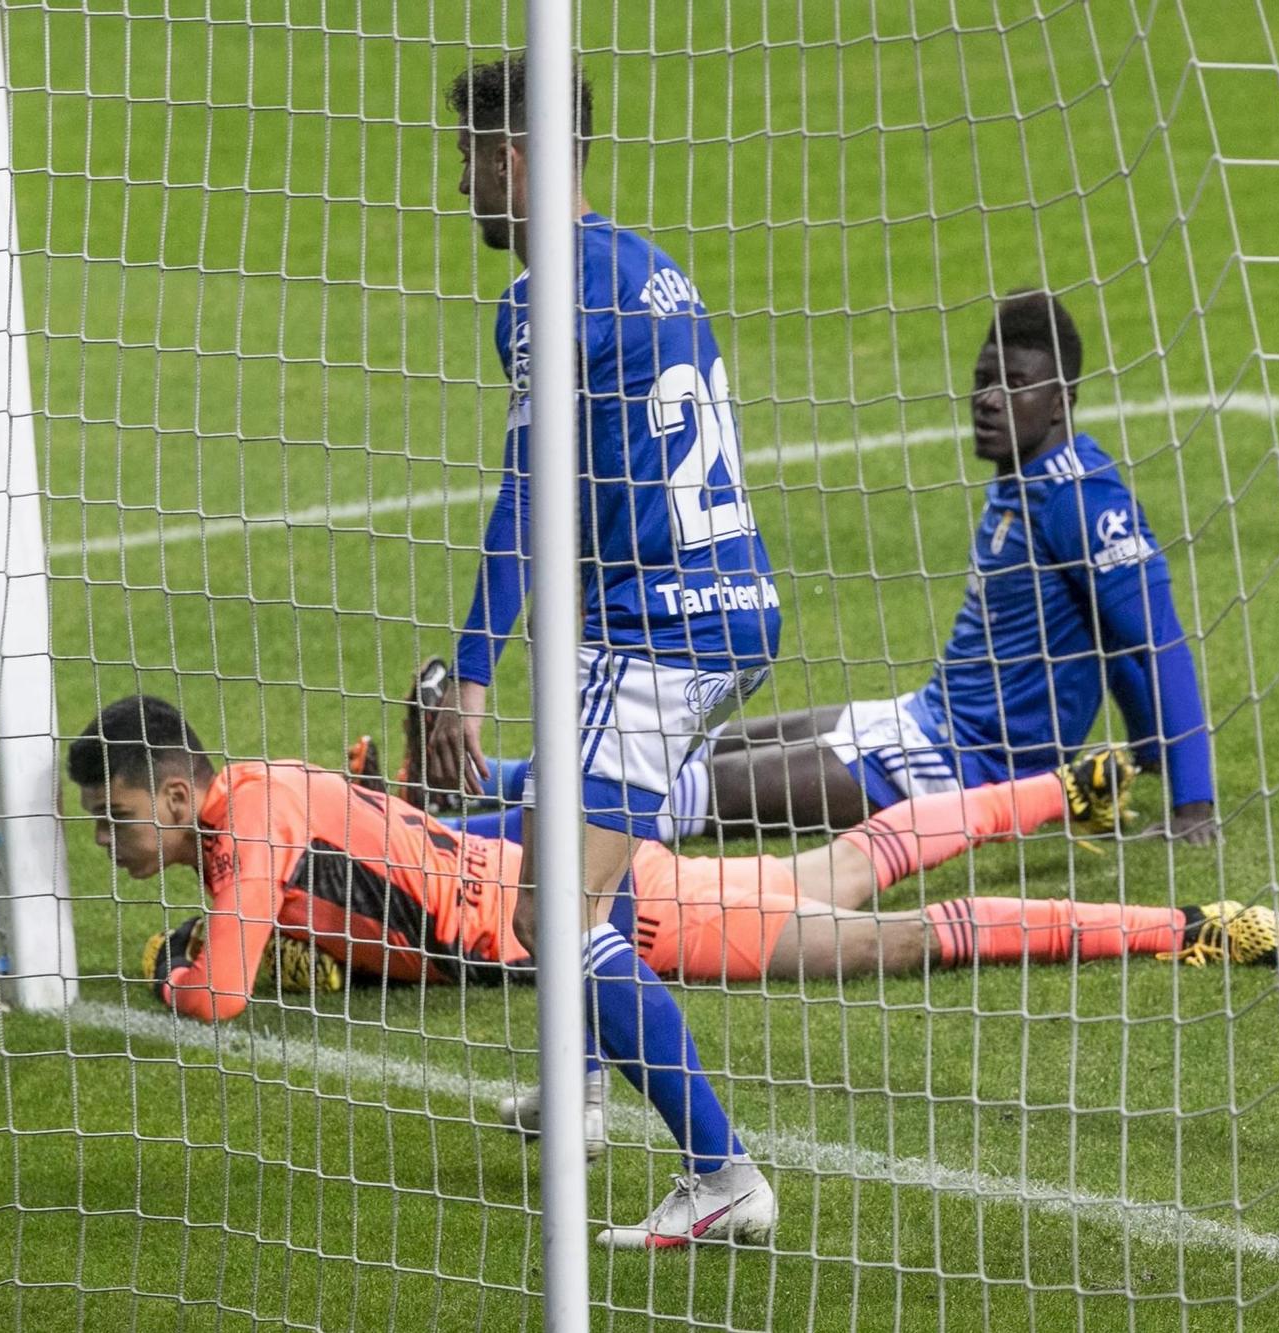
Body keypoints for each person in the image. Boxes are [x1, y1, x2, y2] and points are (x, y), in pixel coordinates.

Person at [70, 695, 1279, 1159]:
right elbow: (344, 911)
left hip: (616, 910)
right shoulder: (264, 811)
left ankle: (1181, 924)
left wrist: (191, 966)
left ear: (176, 797)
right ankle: (1060, 792)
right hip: (571, 879)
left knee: (880, 927)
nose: (105, 842)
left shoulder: (261, 818)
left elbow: (222, 992)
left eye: (112, 817)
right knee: (845, 869)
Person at [420, 52, 791, 1248]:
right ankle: (577, 1088)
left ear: (515, 157)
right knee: (588, 851)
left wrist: (470, 669)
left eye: (473, 157)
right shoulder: (651, 269)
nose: (462, 184)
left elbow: (528, 491)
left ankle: (722, 1170)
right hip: (731, 600)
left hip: (656, 625)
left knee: (544, 904)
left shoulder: (543, 294)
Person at [589, 292, 1220, 847]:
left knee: (706, 790)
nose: (989, 401)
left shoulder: (1082, 502)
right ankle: (502, 781)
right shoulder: (1021, 481)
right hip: (926, 716)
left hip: (967, 770)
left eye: (1015, 385)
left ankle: (490, 848)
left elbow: (1153, 638)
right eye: (982, 380)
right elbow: (1109, 633)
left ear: (1061, 403)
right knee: (693, 740)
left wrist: (1192, 803)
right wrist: (1148, 752)